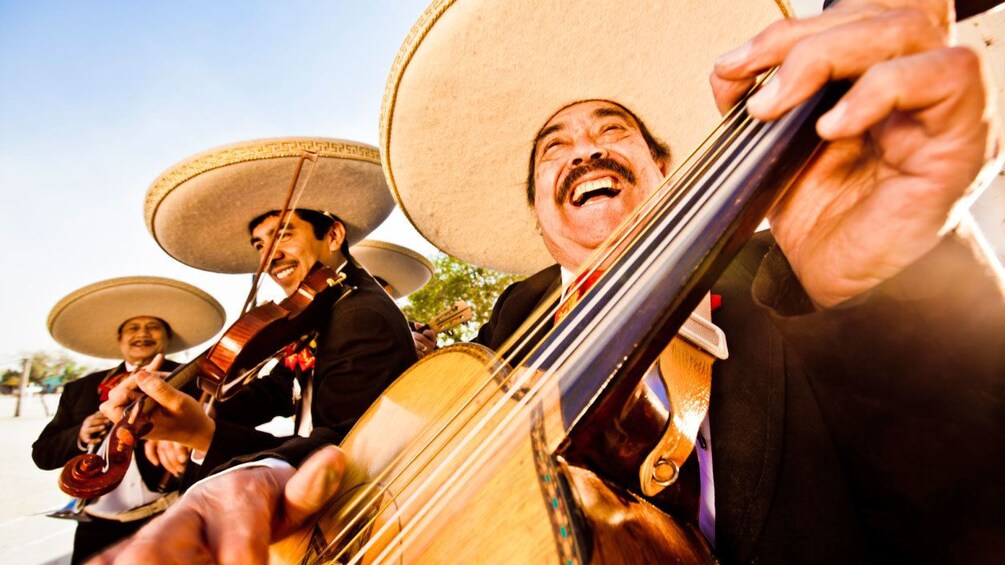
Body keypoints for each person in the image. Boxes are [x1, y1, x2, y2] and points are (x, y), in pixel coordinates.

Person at [93, 0, 1003, 563]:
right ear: (538, 212)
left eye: (611, 131)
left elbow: (967, 510)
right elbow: (377, 457)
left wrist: (889, 281)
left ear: (666, 169)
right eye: (552, 150)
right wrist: (237, 475)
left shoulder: (791, 289)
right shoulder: (510, 332)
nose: (585, 151)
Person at [101, 137, 419, 484]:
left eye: (283, 235)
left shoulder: (359, 315)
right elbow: (279, 390)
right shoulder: (321, 308)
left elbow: (346, 451)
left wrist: (205, 435)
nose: (269, 257)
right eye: (260, 245)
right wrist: (182, 400)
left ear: (333, 235)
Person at [33, 276, 225, 564]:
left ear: (166, 337)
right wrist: (81, 434)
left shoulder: (196, 381)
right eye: (133, 328)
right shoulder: (81, 388)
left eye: (153, 328)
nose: (142, 334)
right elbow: (42, 454)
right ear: (119, 340)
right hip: (95, 527)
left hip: (171, 518)